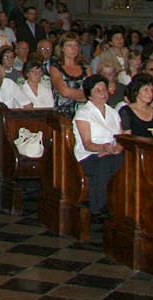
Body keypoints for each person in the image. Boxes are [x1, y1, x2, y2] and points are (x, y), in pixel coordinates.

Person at [73, 75, 123, 220]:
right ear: (89, 95)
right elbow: (87, 143)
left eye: (104, 90)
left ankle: (119, 205)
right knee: (105, 162)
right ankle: (99, 207)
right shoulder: (84, 113)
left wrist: (116, 149)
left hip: (111, 152)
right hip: (89, 154)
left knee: (125, 160)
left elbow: (121, 138)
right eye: (98, 90)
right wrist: (104, 148)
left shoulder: (113, 113)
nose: (103, 93)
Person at [49, 34, 88, 117]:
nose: (73, 48)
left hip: (85, 113)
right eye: (69, 45)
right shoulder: (55, 68)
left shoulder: (86, 68)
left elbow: (93, 91)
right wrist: (86, 94)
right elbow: (64, 92)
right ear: (62, 48)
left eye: (76, 45)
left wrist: (73, 94)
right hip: (64, 114)